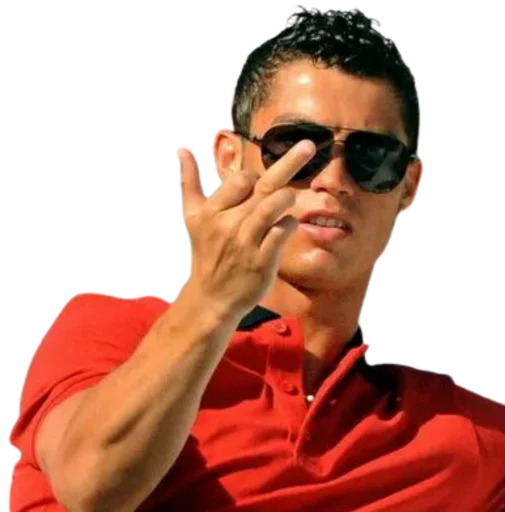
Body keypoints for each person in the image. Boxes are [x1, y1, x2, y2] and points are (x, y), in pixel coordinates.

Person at [7, 7, 505, 512]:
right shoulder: (109, 335)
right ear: (228, 157)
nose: (333, 180)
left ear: (410, 187)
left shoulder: (466, 439)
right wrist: (211, 301)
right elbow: (94, 487)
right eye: (296, 147)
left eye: (371, 157)